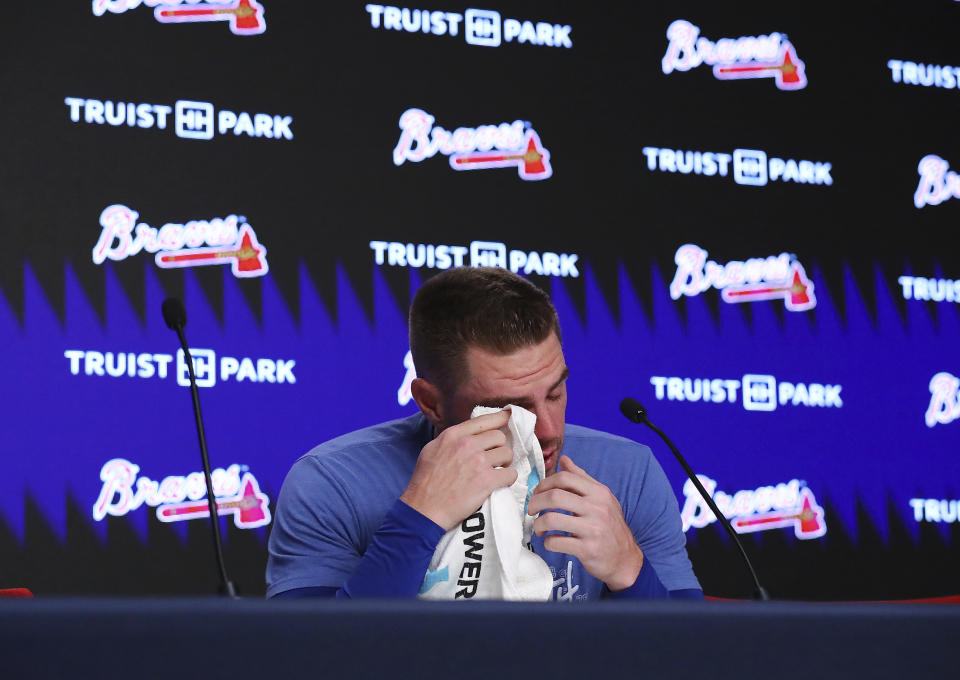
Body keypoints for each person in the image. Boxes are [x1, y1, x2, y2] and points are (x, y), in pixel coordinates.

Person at [267, 267, 702, 600]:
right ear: (431, 402)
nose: (549, 431)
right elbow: (308, 661)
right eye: (509, 407)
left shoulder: (628, 472)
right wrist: (418, 518)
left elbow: (698, 660)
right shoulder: (332, 482)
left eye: (555, 392)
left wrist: (630, 569)